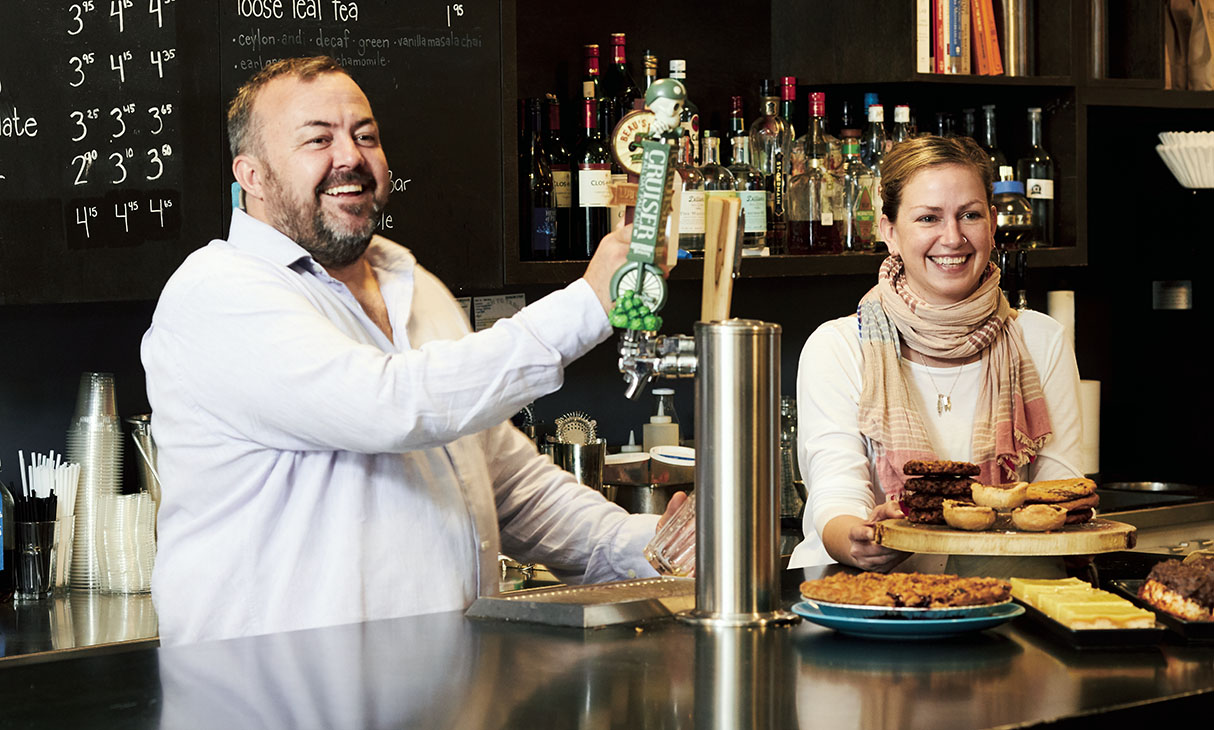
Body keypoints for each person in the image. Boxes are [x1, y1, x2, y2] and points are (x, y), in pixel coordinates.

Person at [142, 56, 683, 646]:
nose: (350, 156)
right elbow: (392, 406)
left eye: (365, 135)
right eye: (318, 139)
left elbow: (507, 483)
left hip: (443, 695)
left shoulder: (414, 286)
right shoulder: (217, 293)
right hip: (280, 701)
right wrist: (588, 304)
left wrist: (654, 548)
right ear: (252, 174)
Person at [788, 135, 1084, 573]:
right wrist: (861, 541)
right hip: (863, 597)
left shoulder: (1042, 341)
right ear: (889, 231)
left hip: (1007, 596)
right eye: (928, 217)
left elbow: (1057, 497)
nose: (953, 237)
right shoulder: (838, 347)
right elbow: (835, 494)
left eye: (970, 215)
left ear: (993, 222)